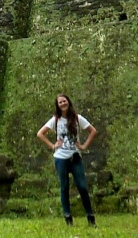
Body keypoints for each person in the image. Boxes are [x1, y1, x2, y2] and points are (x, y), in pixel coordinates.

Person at [37, 93, 98, 226]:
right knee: (64, 188)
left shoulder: (77, 118)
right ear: (58, 106)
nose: (63, 103)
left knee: (82, 187)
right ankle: (68, 218)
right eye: (60, 102)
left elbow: (93, 131)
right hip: (60, 158)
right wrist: (52, 146)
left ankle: (90, 217)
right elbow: (40, 133)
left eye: (64, 101)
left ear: (68, 102)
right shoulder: (55, 120)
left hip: (75, 157)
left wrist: (84, 146)